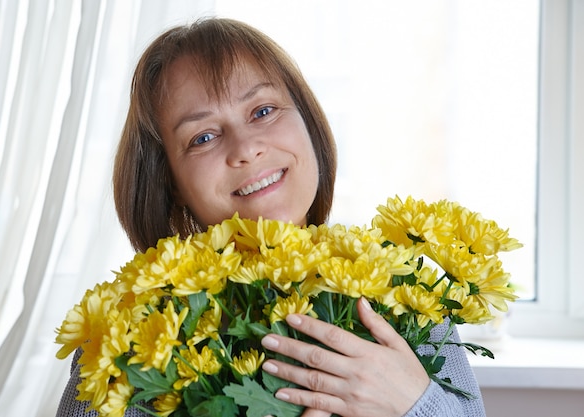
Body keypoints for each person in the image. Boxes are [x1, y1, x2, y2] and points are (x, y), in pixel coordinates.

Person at [56, 17, 485, 417]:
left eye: (262, 111)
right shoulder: (121, 338)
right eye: (203, 136)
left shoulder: (407, 296)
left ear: (309, 125)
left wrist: (416, 404)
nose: (246, 148)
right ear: (170, 185)